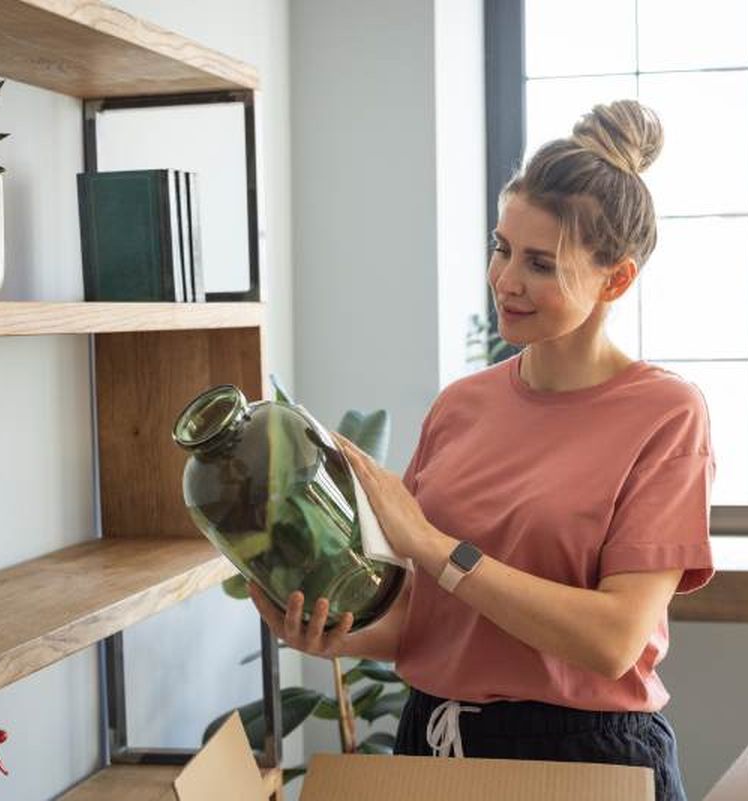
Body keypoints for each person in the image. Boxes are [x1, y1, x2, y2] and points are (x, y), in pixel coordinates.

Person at [248, 99, 714, 801]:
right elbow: (433, 620)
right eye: (501, 248)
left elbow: (614, 640)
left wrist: (435, 547)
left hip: (584, 758)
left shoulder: (665, 413)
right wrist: (332, 633)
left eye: (540, 264)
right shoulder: (461, 405)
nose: (505, 280)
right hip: (432, 741)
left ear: (615, 279)